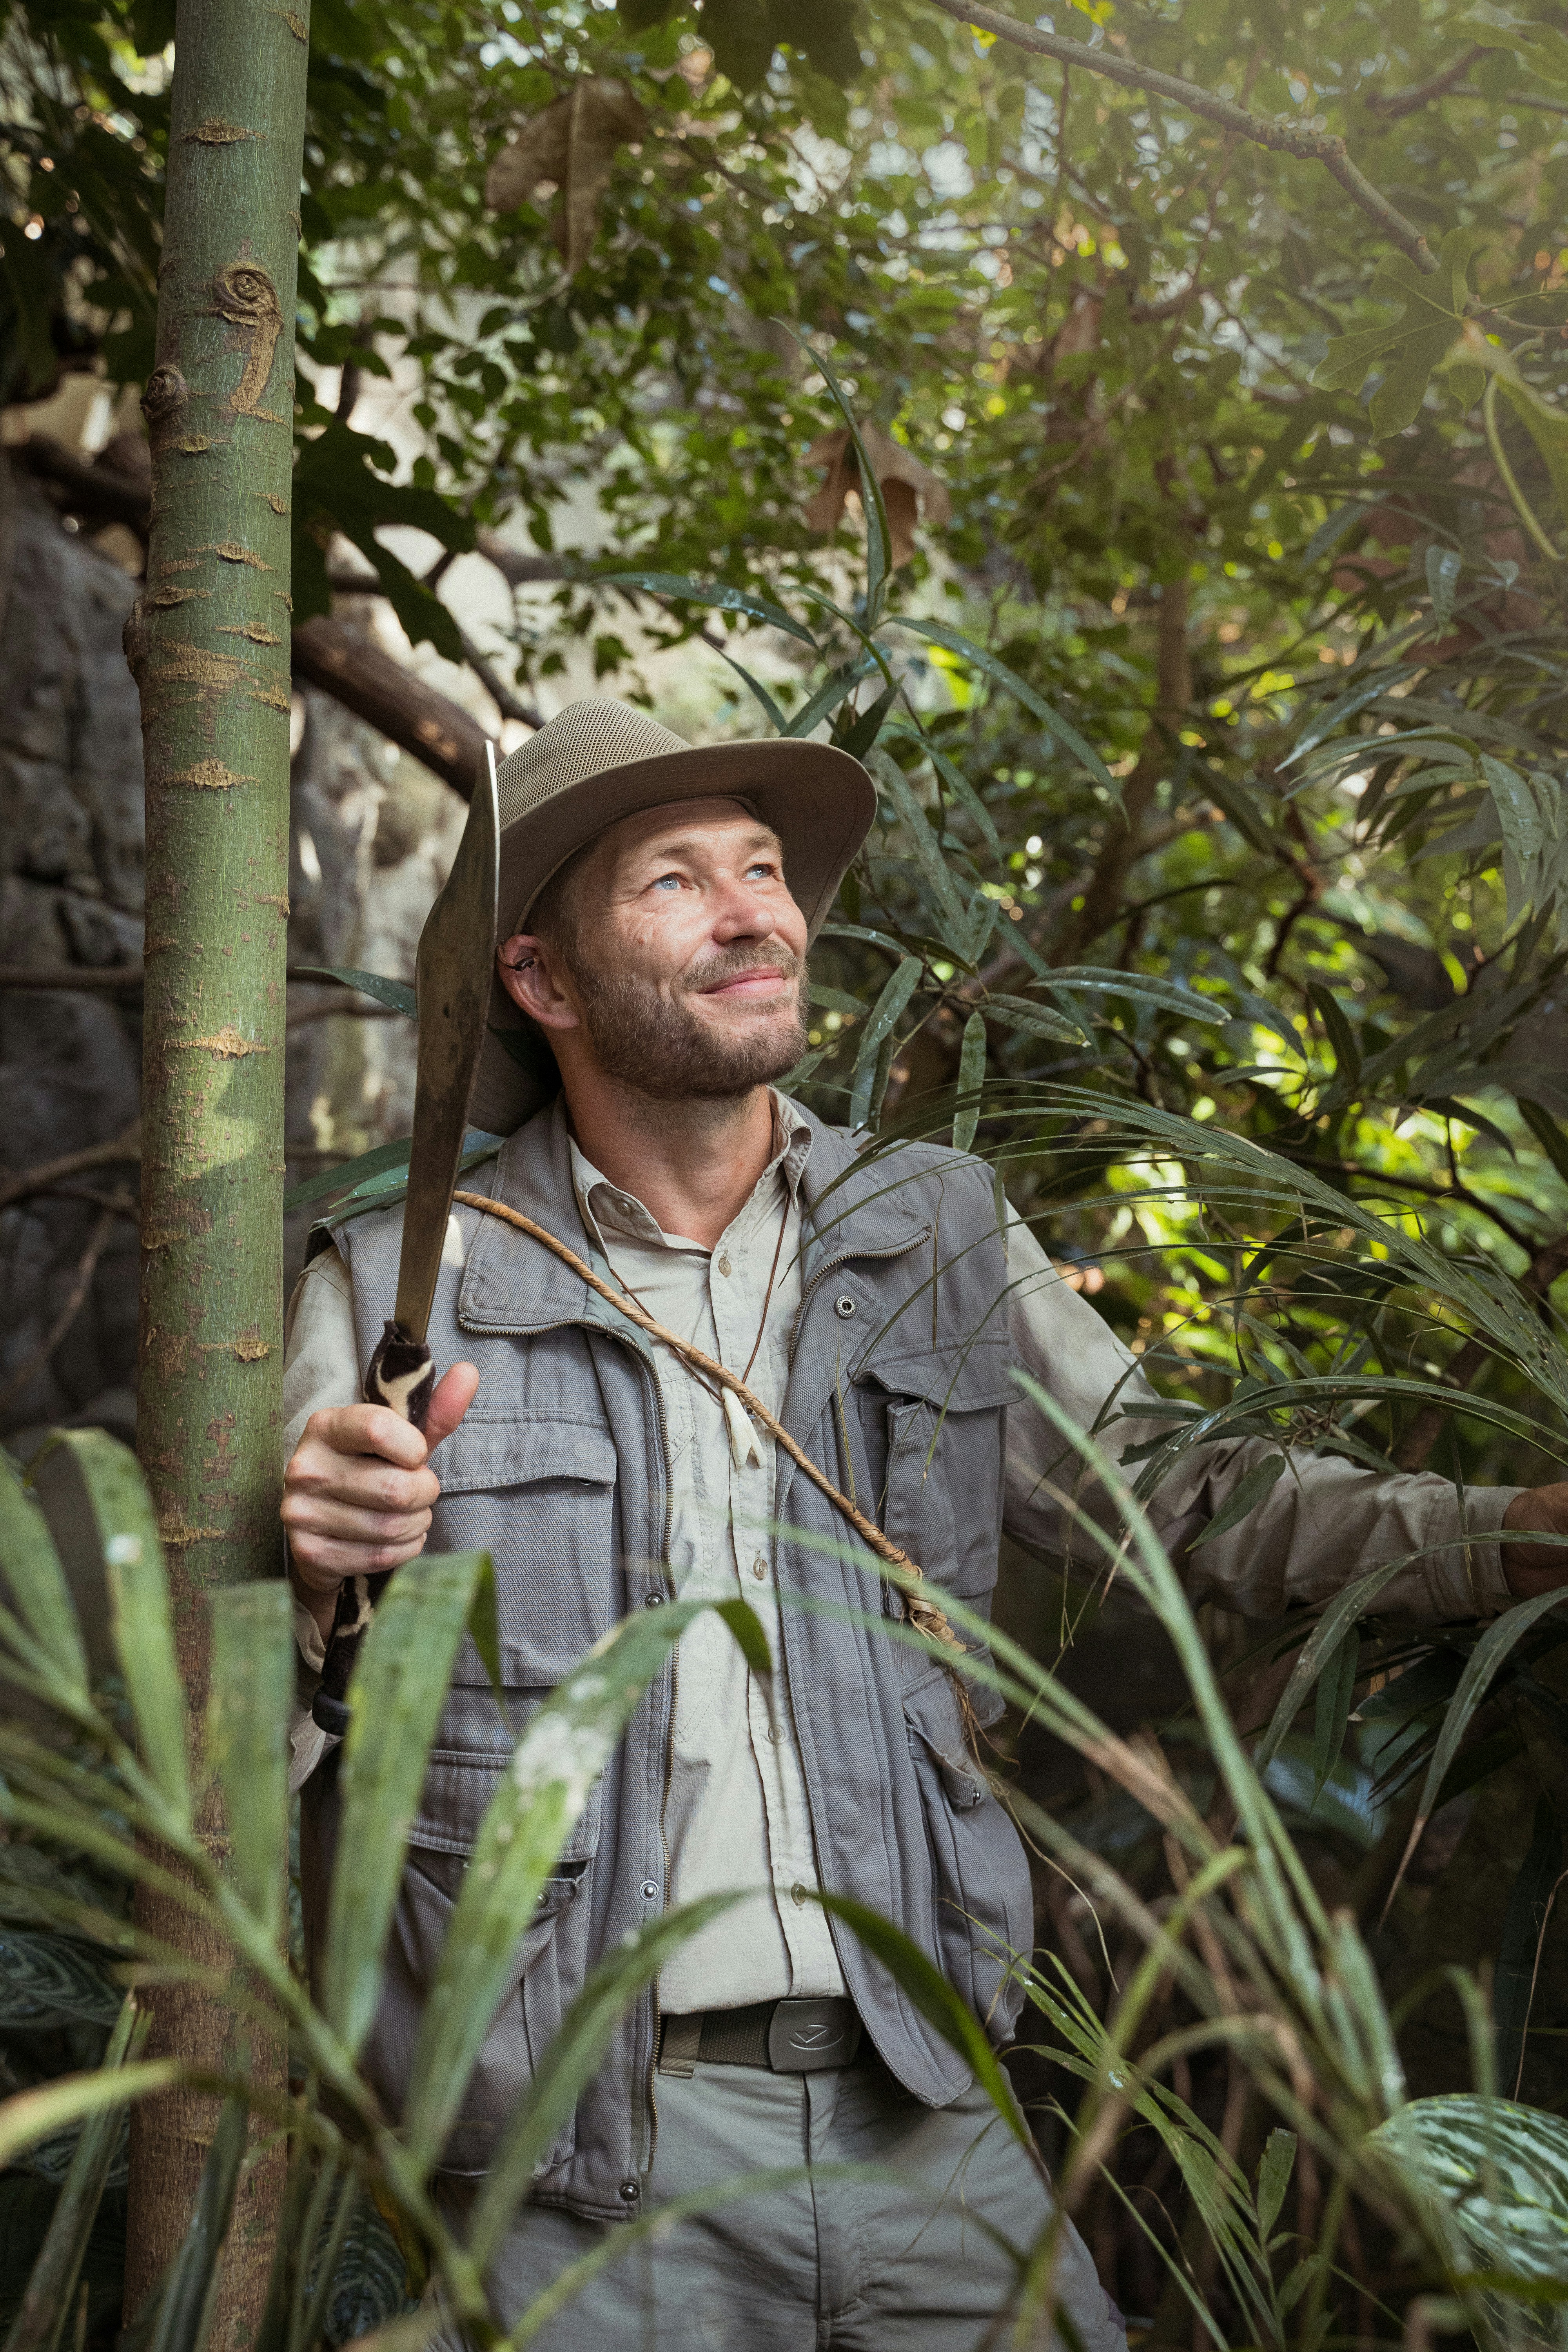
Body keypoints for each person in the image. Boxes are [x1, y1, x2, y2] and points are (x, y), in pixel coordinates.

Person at [280, 697, 1568, 2351]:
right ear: (541, 981)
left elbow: (1187, 1495)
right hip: (570, 2157)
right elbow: (242, 1726)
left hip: (925, 2107)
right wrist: (314, 1572)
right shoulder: (406, 1284)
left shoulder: (930, 1231)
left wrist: (1512, 1532)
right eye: (675, 881)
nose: (759, 913)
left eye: (763, 869)